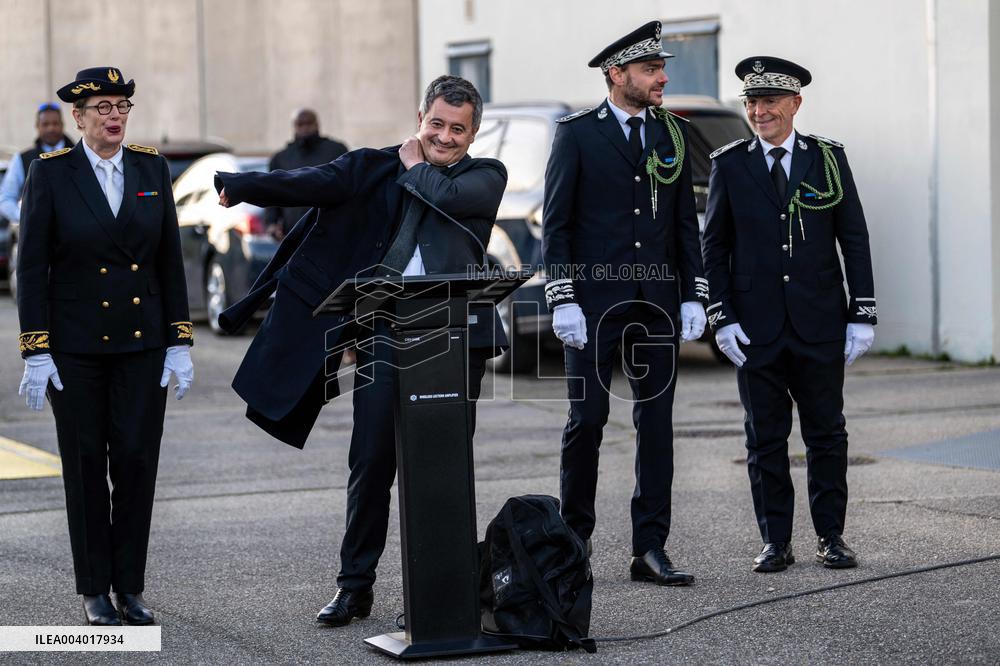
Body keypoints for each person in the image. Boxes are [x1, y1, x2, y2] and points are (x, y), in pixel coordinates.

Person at [215, 75, 506, 626]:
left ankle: (445, 588)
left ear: (473, 134)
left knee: (443, 465)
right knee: (371, 460)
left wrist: (411, 159)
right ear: (421, 116)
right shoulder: (374, 165)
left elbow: (438, 191)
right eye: (436, 123)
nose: (445, 137)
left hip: (451, 339)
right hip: (384, 334)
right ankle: (355, 587)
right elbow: (314, 180)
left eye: (458, 129)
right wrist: (244, 184)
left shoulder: (484, 176)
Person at [15, 67, 194, 625]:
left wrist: (179, 340)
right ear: (79, 116)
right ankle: (95, 589)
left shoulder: (151, 167)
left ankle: (131, 588)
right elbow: (31, 267)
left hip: (141, 348)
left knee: (138, 463)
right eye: (103, 108)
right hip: (76, 350)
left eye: (122, 106)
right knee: (87, 466)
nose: (115, 116)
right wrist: (36, 348)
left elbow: (169, 261)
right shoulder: (52, 174)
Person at [542, 21, 708, 587]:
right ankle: (574, 543)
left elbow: (684, 221)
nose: (661, 77)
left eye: (662, 68)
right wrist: (562, 297)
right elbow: (557, 226)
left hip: (656, 303)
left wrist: (692, 293)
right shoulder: (578, 134)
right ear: (617, 75)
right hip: (592, 305)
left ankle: (650, 547)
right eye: (649, 69)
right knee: (587, 420)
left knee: (655, 422)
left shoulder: (674, 134)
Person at [701, 57, 877, 573]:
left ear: (795, 103)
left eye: (770, 101)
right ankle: (775, 540)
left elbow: (855, 239)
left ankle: (831, 536)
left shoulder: (827, 159)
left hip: (819, 322)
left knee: (826, 433)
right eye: (752, 102)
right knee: (764, 438)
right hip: (756, 328)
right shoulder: (730, 163)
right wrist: (721, 315)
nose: (759, 111)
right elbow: (715, 248)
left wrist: (861, 311)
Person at [265, 108, 348, 239]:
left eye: (309, 123)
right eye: (300, 124)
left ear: (317, 124)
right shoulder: (281, 158)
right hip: (293, 231)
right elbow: (272, 193)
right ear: (294, 126)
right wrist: (272, 223)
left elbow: (348, 186)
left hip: (331, 230)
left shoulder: (336, 151)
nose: (305, 128)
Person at [0, 102, 75, 223]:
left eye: (55, 123)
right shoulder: (22, 159)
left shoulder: (79, 155)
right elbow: (5, 198)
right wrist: (25, 218)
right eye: (45, 124)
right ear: (37, 126)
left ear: (62, 125)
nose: (51, 128)